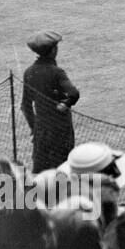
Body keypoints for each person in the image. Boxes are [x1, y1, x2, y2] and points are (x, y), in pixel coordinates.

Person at [21, 31, 79, 172]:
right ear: (53, 51)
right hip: (60, 129)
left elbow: (25, 105)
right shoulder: (57, 72)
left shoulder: (29, 72)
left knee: (41, 167)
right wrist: (65, 104)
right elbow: (74, 94)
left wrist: (34, 127)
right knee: (63, 167)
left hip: (41, 128)